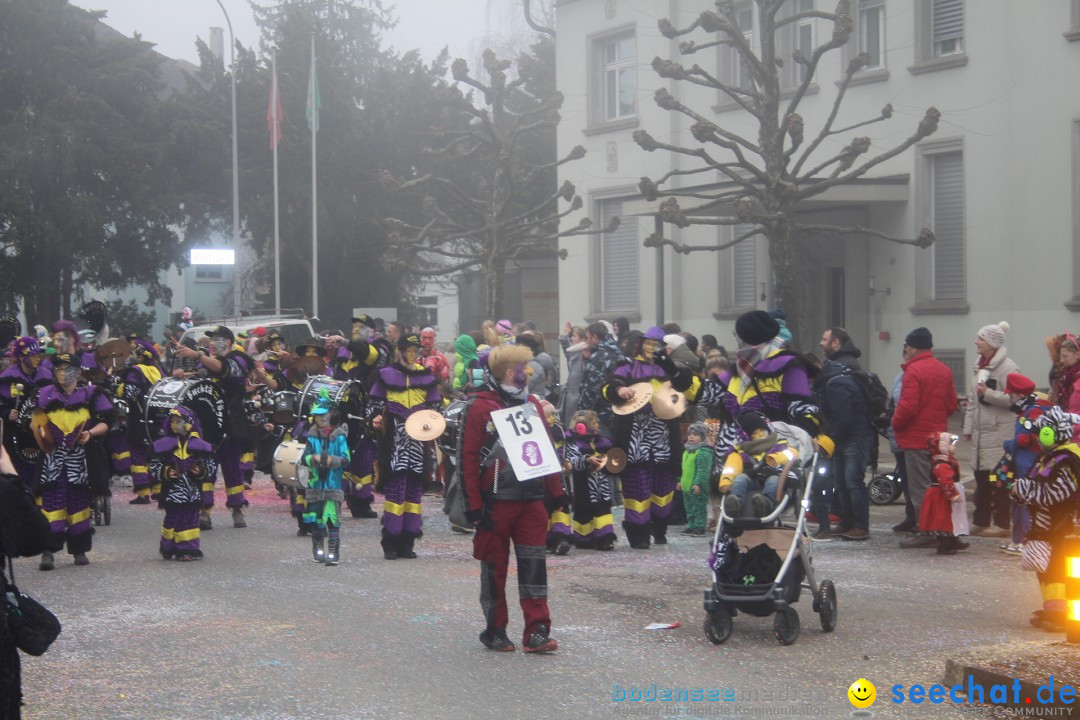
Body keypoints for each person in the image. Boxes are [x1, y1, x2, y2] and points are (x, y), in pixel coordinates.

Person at [460, 344, 566, 653]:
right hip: (495, 501)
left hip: (531, 500)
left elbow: (546, 448)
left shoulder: (531, 402)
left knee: (534, 566)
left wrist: (556, 493)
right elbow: (467, 459)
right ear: (510, 372)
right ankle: (495, 629)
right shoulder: (479, 406)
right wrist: (473, 506)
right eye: (524, 367)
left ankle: (537, 630)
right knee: (494, 570)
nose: (529, 371)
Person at [600, 326, 699, 549]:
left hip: (664, 434)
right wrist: (619, 390)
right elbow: (607, 386)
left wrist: (672, 370)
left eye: (656, 345)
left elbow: (686, 386)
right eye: (648, 343)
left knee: (664, 486)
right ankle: (638, 534)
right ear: (640, 344)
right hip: (635, 434)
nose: (651, 348)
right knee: (637, 484)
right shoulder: (627, 366)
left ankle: (660, 528)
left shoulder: (669, 368)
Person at [35, 353, 113, 570]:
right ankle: (47, 552)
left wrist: (91, 433)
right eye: (58, 368)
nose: (62, 373)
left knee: (79, 504)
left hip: (80, 460)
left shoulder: (92, 394)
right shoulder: (44, 395)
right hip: (53, 460)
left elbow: (107, 422)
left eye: (67, 368)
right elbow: (33, 425)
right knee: (51, 504)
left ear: (78, 372)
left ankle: (79, 549)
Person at [367, 333, 441, 560]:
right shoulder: (385, 375)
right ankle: (390, 540)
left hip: (418, 441)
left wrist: (434, 419)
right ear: (398, 351)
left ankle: (408, 541)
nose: (411, 354)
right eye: (407, 349)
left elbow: (436, 406)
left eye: (415, 350)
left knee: (414, 490)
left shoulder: (426, 376)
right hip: (395, 440)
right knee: (395, 488)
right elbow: (373, 405)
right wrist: (375, 418)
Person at [173, 326, 255, 530]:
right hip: (208, 423)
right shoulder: (208, 361)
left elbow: (223, 368)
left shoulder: (239, 359)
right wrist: (182, 374)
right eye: (211, 340)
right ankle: (204, 510)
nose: (212, 343)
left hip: (231, 422)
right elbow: (201, 380)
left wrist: (197, 354)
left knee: (232, 468)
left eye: (217, 339)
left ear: (228, 341)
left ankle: (237, 508)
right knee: (205, 468)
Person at [1011, 406, 1080, 632]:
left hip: (1061, 528)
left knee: (1058, 570)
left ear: (1051, 434)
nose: (1038, 439)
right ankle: (1053, 608)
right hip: (1045, 528)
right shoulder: (1050, 457)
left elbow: (1057, 494)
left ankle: (1061, 613)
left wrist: (1025, 489)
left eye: (1042, 433)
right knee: (1047, 571)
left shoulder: (1066, 460)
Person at [893, 328, 959, 549]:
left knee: (920, 488)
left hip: (916, 438)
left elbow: (907, 407)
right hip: (939, 439)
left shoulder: (913, 371)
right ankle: (944, 530)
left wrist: (895, 423)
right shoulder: (944, 370)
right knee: (940, 485)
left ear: (912, 347)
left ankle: (926, 530)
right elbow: (951, 405)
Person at [963, 322, 1019, 538]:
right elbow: (972, 400)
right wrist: (969, 427)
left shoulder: (1009, 368)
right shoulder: (979, 367)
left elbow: (1015, 400)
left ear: (992, 344)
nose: (976, 342)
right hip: (981, 433)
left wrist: (988, 394)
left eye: (981, 339)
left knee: (1000, 482)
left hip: (1000, 433)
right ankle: (980, 521)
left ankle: (1003, 523)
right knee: (981, 480)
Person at [816, 340, 875, 541]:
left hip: (854, 437)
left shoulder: (836, 384)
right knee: (841, 482)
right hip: (846, 437)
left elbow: (844, 418)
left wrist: (832, 440)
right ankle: (846, 522)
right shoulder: (832, 380)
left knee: (853, 482)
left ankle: (860, 525)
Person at [151, 408, 216, 560]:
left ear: (189, 423)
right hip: (172, 492)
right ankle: (168, 547)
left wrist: (201, 471)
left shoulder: (200, 445)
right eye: (172, 421)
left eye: (179, 421)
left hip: (192, 492)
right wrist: (166, 472)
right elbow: (154, 466)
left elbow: (211, 466)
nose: (175, 425)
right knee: (171, 519)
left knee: (190, 520)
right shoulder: (164, 445)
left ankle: (187, 550)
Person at [717, 412, 799, 518]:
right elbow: (731, 468)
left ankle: (765, 504)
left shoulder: (780, 445)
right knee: (741, 478)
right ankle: (734, 504)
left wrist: (775, 458)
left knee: (773, 480)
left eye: (762, 431)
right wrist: (726, 482)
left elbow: (793, 454)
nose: (759, 435)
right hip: (752, 479)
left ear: (767, 430)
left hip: (774, 476)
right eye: (754, 433)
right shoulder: (741, 451)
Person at [1001, 373, 1047, 555]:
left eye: (1011, 395)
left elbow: (1026, 438)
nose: (1009, 398)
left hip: (1028, 464)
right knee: (1018, 501)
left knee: (1025, 503)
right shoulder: (1026, 409)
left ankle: (1025, 541)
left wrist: (1008, 444)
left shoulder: (1032, 411)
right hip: (1023, 462)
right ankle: (1017, 539)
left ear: (1019, 395)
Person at [302, 395, 350, 566]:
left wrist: (333, 461)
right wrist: (313, 459)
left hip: (332, 485)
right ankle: (318, 549)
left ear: (332, 414)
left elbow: (346, 459)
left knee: (332, 519)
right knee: (316, 519)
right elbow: (303, 458)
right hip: (314, 485)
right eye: (316, 415)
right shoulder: (312, 436)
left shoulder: (339, 436)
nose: (319, 419)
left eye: (323, 415)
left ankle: (333, 552)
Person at [0, 337, 51, 487]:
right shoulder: (7, 377)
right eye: (32, 355)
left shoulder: (46, 375)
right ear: (22, 357)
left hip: (42, 430)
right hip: (15, 434)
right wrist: (7, 412)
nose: (37, 358)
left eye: (38, 355)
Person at [118, 341, 164, 505]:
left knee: (138, 454)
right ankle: (158, 491)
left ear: (142, 356)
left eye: (135, 354)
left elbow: (130, 393)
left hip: (138, 419)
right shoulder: (158, 371)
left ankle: (143, 493)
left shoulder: (134, 371)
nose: (133, 357)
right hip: (157, 418)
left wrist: (119, 386)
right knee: (155, 455)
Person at [564, 410, 616, 550]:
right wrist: (586, 459)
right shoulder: (573, 442)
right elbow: (571, 461)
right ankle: (584, 538)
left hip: (601, 484)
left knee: (603, 510)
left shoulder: (602, 441)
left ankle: (605, 539)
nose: (598, 424)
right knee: (583, 511)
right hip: (583, 484)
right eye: (594, 422)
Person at [577, 322, 625, 437]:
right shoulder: (617, 352)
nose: (586, 341)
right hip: (617, 411)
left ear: (595, 337)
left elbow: (592, 388)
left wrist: (582, 412)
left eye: (587, 338)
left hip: (600, 416)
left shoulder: (599, 356)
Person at [680, 422, 712, 536]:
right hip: (686, 485)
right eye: (690, 434)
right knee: (689, 507)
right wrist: (680, 481)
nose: (691, 437)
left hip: (697, 487)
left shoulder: (704, 452)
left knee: (698, 507)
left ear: (703, 437)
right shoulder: (687, 450)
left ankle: (700, 527)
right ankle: (691, 525)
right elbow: (684, 468)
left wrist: (698, 483)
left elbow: (703, 470)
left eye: (696, 434)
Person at [559, 323, 586, 426]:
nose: (571, 338)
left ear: (582, 339)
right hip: (570, 394)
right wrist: (564, 335)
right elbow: (566, 348)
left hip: (576, 395)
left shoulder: (584, 353)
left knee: (574, 424)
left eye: (574, 336)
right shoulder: (574, 352)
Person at [1052, 333, 1080, 414]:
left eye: (1065, 356)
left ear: (1078, 354)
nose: (1061, 360)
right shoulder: (1067, 376)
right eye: (1061, 356)